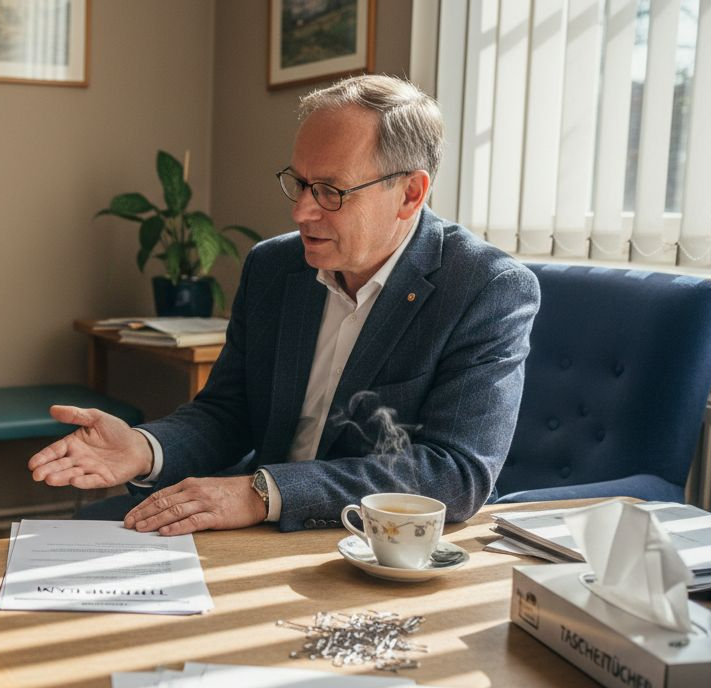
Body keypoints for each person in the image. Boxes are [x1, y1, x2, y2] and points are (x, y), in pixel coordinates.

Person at [29, 74, 541, 535]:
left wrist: (264, 493)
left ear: (410, 194)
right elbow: (229, 411)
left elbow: (454, 472)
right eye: (299, 182)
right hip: (259, 523)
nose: (300, 211)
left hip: (374, 544)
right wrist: (143, 448)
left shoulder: (485, 287)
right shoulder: (274, 266)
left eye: (330, 191)